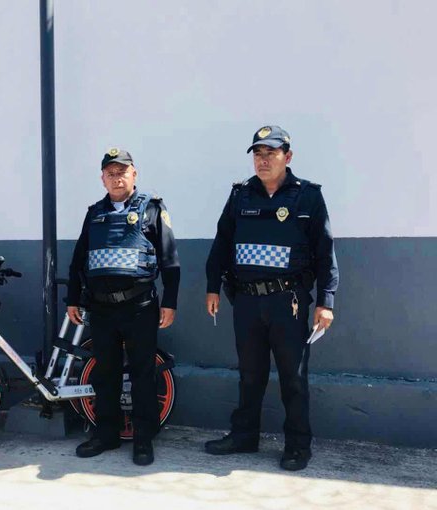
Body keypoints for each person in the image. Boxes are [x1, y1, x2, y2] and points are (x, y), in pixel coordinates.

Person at [204, 126, 339, 471]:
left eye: (271, 153)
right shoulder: (240, 195)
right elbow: (222, 243)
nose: (263, 161)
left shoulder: (307, 196)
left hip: (288, 302)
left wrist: (326, 301)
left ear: (288, 156)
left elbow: (325, 252)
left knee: (293, 377)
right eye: (258, 154)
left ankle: (297, 445)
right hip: (246, 301)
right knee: (250, 375)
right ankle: (244, 436)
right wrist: (212, 286)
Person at [66, 148, 180, 466]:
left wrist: (170, 301)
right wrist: (73, 298)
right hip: (101, 310)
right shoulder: (94, 213)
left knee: (142, 374)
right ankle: (106, 434)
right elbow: (79, 260)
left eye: (122, 171)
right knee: (106, 374)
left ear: (134, 174)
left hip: (140, 307)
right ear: (102, 178)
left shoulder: (152, 209)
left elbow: (170, 259)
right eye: (110, 172)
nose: (117, 177)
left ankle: (143, 439)